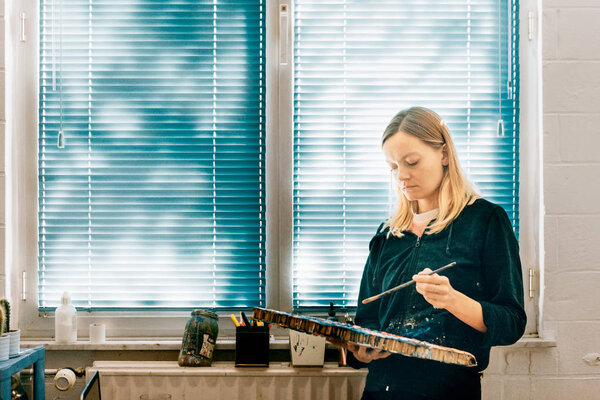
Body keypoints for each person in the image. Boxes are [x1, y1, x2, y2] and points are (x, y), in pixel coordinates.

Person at [344, 107, 526, 400]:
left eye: (412, 162)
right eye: (393, 167)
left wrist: (452, 300)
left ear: (444, 154)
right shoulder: (387, 235)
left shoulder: (486, 220)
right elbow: (367, 320)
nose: (402, 176)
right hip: (381, 390)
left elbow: (512, 323)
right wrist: (363, 351)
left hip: (449, 391)